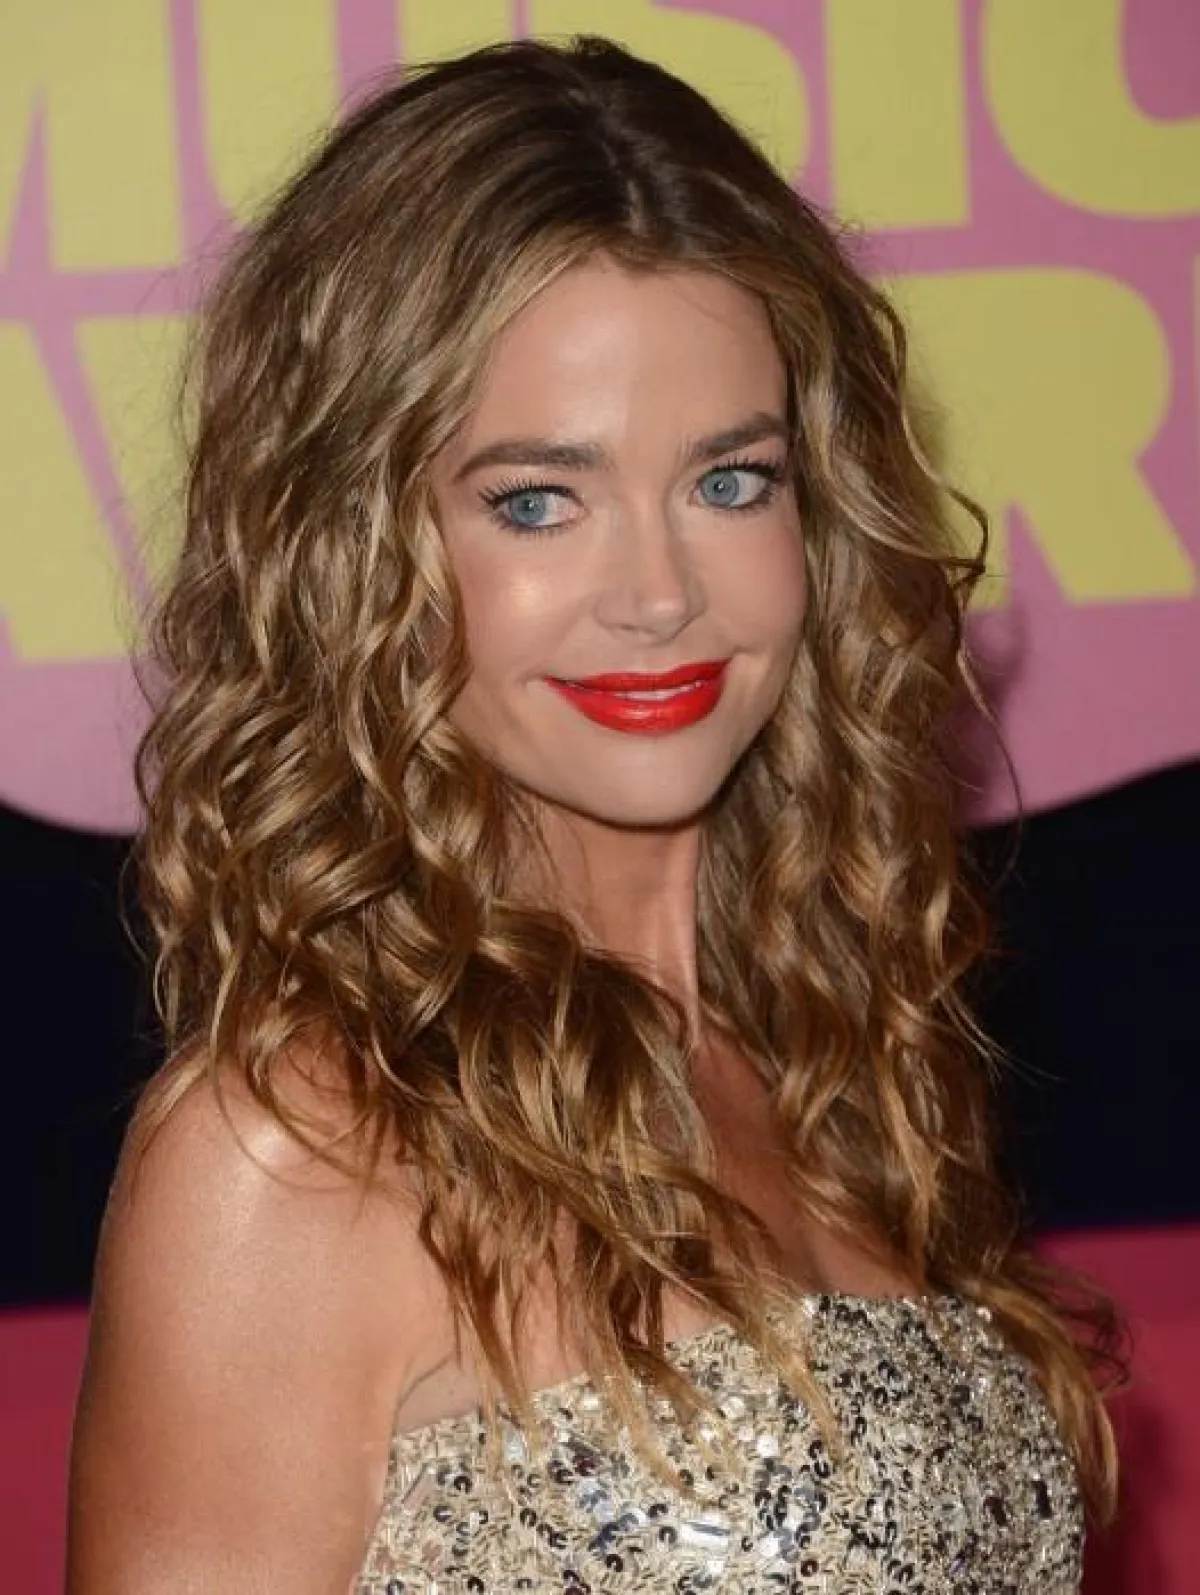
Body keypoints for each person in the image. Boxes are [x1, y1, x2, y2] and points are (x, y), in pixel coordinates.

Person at [66, 33, 1122, 1594]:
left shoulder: (844, 1066)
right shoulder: (295, 1149)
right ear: (359, 552)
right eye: (536, 500)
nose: (658, 592)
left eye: (730, 480)